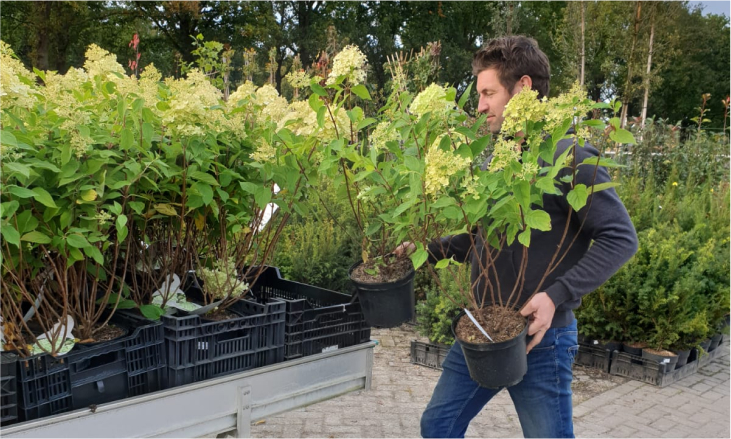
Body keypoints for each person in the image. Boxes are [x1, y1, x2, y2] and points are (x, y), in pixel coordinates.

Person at [394, 36, 638, 438]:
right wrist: (425, 250)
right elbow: (481, 238)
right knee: (437, 425)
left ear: (522, 88)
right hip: (483, 327)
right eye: (480, 95)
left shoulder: (572, 157)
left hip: (543, 338)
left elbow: (620, 238)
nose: (480, 106)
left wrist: (554, 296)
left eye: (488, 93)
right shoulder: (503, 159)